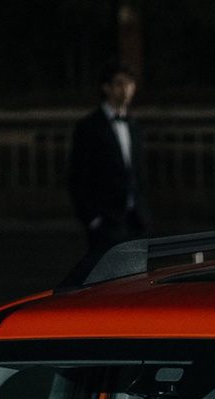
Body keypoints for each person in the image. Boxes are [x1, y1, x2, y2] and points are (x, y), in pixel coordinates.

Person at [69, 68, 146, 271]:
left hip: (135, 219)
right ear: (106, 88)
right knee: (108, 279)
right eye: (120, 84)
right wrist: (92, 218)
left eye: (130, 84)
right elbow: (78, 175)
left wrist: (143, 210)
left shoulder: (133, 125)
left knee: (136, 277)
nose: (126, 89)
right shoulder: (89, 127)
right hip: (106, 220)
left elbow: (137, 171)